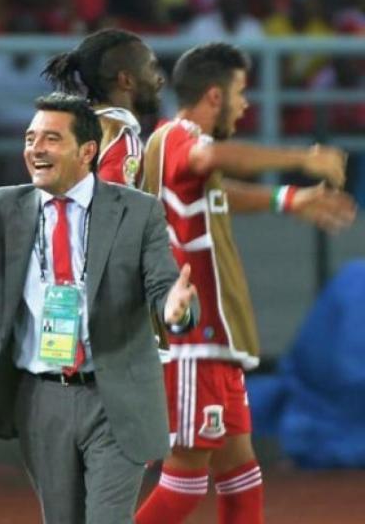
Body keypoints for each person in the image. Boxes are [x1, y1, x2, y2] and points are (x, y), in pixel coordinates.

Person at [0, 92, 199, 524]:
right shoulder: (2, 207)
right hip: (41, 399)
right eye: (30, 138)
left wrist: (175, 309)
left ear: (87, 151)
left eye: (51, 138)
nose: (35, 149)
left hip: (116, 395)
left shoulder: (137, 212)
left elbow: (163, 285)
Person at [136, 42, 357, 524]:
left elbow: (216, 190)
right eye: (241, 93)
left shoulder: (179, 146)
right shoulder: (180, 138)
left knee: (241, 473)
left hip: (216, 342)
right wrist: (302, 158)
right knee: (187, 478)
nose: (246, 103)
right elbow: (207, 160)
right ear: (214, 96)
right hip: (195, 340)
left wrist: (288, 198)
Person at [42, 28, 164, 189]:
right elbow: (111, 212)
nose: (160, 79)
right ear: (126, 80)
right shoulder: (120, 139)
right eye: (152, 68)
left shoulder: (73, 127)